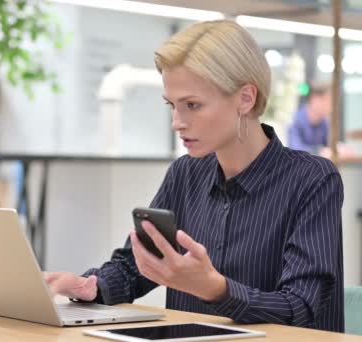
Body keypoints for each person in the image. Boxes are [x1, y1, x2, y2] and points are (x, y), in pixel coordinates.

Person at [45, 20, 344, 332]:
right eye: (172, 105)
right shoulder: (185, 173)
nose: (177, 122)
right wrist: (89, 286)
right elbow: (138, 266)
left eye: (192, 105)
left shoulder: (313, 179)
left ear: (246, 98)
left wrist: (215, 288)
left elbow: (300, 307)